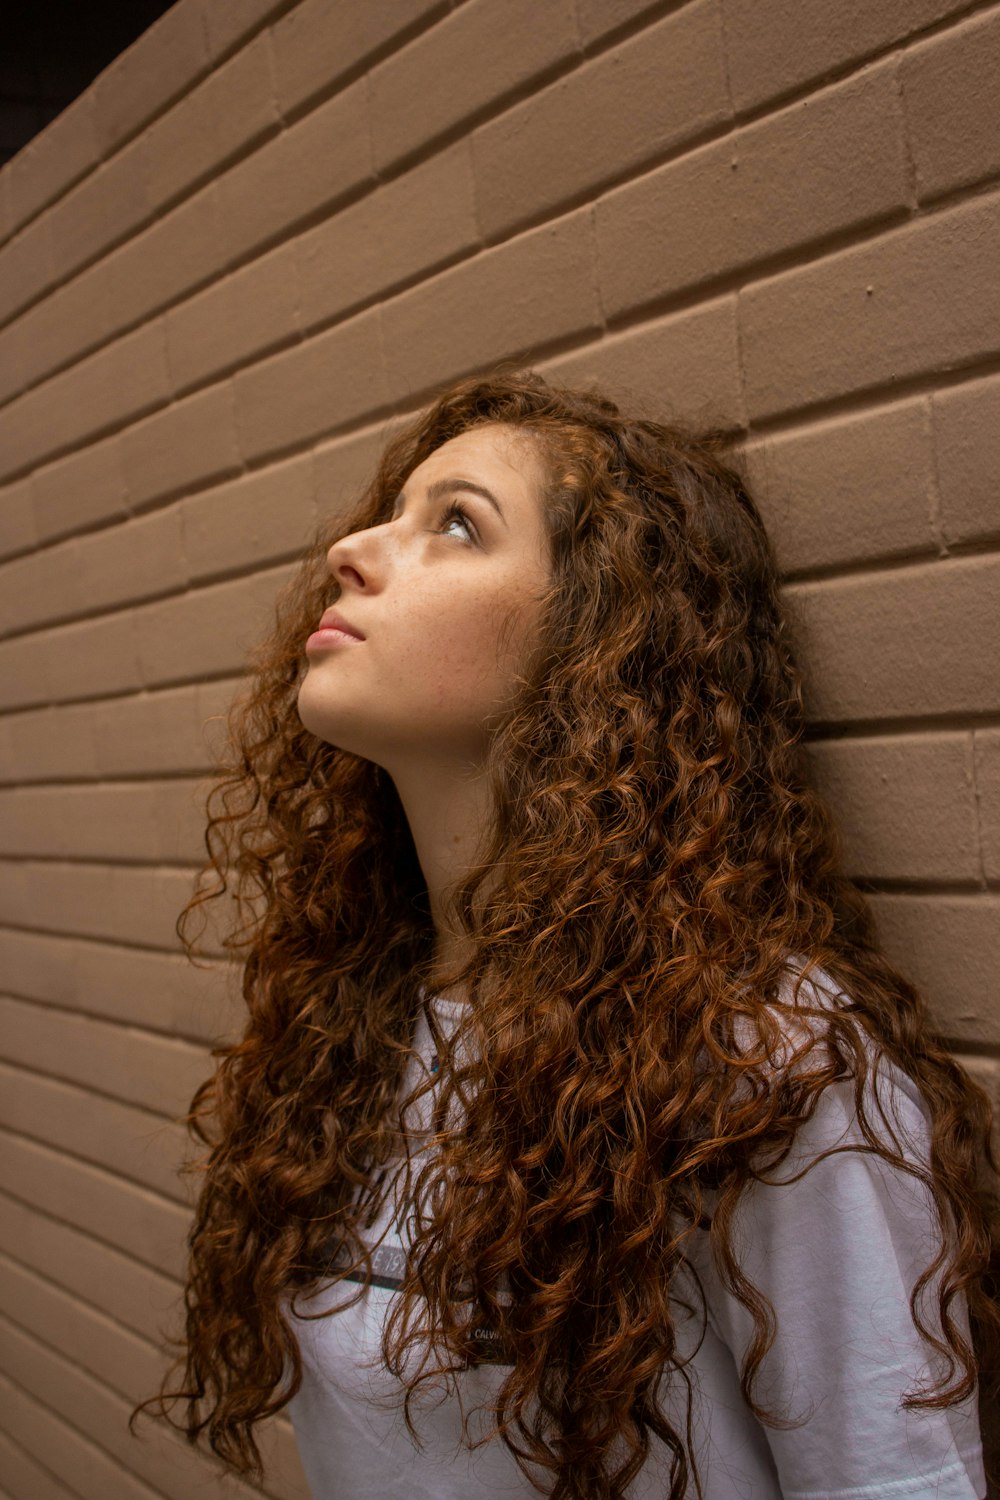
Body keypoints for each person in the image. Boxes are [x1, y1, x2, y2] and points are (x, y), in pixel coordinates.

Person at [132, 368, 998, 1499]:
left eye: (455, 525)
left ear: (592, 636)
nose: (353, 549)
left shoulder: (760, 1054)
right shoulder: (352, 1023)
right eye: (391, 515)